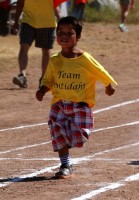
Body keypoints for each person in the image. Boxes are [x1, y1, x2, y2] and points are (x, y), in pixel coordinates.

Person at [35, 16, 117, 179]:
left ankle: (67, 146)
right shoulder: (55, 60)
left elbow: (101, 71)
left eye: (69, 33)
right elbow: (49, 79)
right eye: (60, 32)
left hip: (80, 106)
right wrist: (42, 90)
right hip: (59, 104)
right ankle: (65, 164)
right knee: (57, 131)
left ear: (77, 37)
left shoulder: (85, 59)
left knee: (78, 137)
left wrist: (108, 86)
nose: (64, 36)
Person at [12, 0, 60, 88]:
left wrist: (59, 18)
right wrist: (16, 21)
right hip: (28, 21)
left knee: (45, 50)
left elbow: (55, 4)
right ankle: (22, 76)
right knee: (24, 46)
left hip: (47, 22)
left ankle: (43, 79)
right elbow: (20, 2)